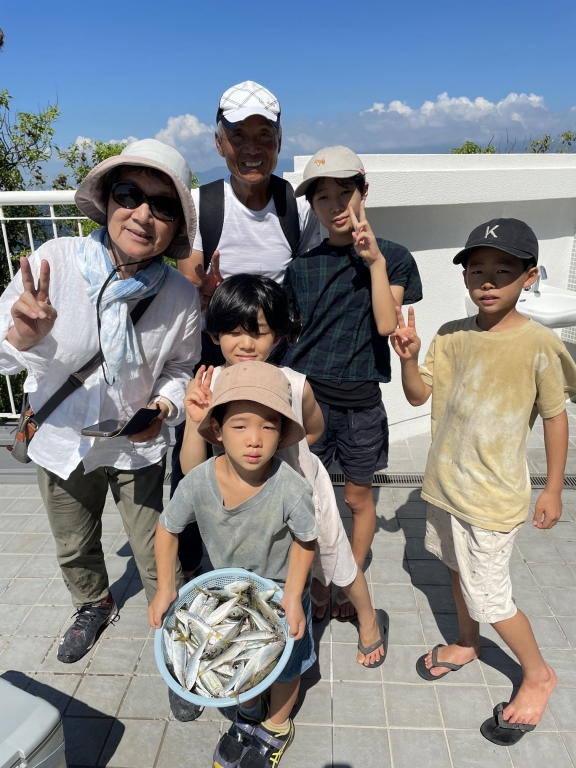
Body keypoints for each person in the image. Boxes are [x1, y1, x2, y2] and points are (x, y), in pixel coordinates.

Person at [0, 139, 200, 667]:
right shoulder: (54, 262)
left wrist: (164, 408)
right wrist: (22, 337)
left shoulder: (180, 296)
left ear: (176, 226)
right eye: (130, 194)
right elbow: (3, 358)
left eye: (163, 205)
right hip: (61, 435)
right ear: (109, 199)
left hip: (136, 444)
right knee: (73, 540)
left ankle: (176, 629)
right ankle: (92, 603)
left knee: (156, 545)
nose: (143, 215)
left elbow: (181, 369)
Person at [391, 217, 576, 745]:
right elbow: (418, 395)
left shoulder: (538, 343)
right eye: (477, 271)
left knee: (492, 597)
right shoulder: (451, 335)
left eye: (503, 270)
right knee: (455, 568)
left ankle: (538, 674)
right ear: (465, 277)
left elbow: (555, 415)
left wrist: (553, 487)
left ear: (530, 276)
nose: (488, 281)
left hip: (493, 499)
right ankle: (467, 642)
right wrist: (408, 359)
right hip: (445, 486)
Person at [181, 274, 389, 668]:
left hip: (301, 489)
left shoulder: (294, 384)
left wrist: (282, 455)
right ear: (215, 334)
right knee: (267, 568)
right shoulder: (210, 385)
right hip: (245, 504)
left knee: (334, 555)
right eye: (234, 331)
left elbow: (313, 429)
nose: (246, 344)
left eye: (258, 332)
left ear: (277, 336)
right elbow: (192, 468)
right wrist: (195, 421)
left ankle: (368, 620)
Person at [171, 80, 321, 583]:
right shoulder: (202, 206)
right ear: (219, 143)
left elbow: (312, 275)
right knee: (198, 455)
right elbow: (190, 286)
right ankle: (194, 565)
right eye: (238, 135)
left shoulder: (297, 208)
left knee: (268, 457)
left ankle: (274, 556)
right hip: (216, 353)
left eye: (263, 135)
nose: (251, 147)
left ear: (279, 141)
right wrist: (205, 293)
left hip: (273, 354)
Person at [149, 362, 319, 768]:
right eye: (240, 426)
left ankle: (277, 726)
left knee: (286, 668)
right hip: (229, 593)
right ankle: (249, 710)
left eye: (269, 427)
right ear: (218, 430)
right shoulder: (198, 481)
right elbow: (167, 528)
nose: (254, 439)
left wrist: (294, 596)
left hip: (282, 594)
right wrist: (166, 587)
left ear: (282, 432)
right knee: (239, 661)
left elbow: (306, 540)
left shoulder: (291, 487)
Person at [283, 145, 422, 619]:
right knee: (307, 496)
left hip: (362, 402)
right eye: (322, 197)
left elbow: (385, 324)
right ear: (312, 207)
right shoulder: (302, 267)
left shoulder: (395, 258)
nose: (336, 205)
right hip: (310, 402)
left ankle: (350, 578)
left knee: (358, 498)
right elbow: (288, 333)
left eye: (345, 192)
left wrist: (374, 262)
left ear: (364, 191)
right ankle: (319, 579)